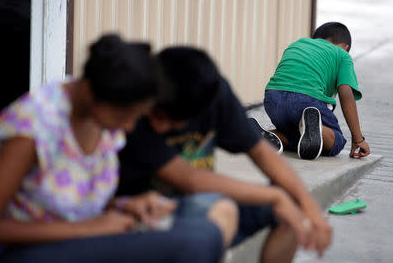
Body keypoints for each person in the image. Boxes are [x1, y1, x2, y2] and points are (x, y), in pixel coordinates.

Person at [0, 35, 227, 263]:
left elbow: (66, 203)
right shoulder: (33, 127)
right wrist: (93, 228)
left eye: (136, 116)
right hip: (9, 254)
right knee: (195, 244)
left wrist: (125, 205)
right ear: (89, 91)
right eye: (124, 115)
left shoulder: (97, 116)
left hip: (69, 239)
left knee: (206, 230)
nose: (128, 127)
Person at [117, 46, 331, 263]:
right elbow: (190, 180)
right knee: (218, 211)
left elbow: (261, 152)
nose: (159, 125)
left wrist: (309, 206)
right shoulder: (137, 107)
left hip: (196, 202)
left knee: (291, 207)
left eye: (169, 120)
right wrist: (276, 196)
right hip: (144, 210)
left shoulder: (212, 94)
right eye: (156, 113)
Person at [262, 21, 370, 160]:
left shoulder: (297, 44)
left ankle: (267, 135)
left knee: (297, 132)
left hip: (272, 99)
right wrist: (358, 139)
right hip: (306, 100)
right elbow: (345, 93)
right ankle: (317, 128)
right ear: (345, 47)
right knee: (337, 141)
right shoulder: (342, 55)